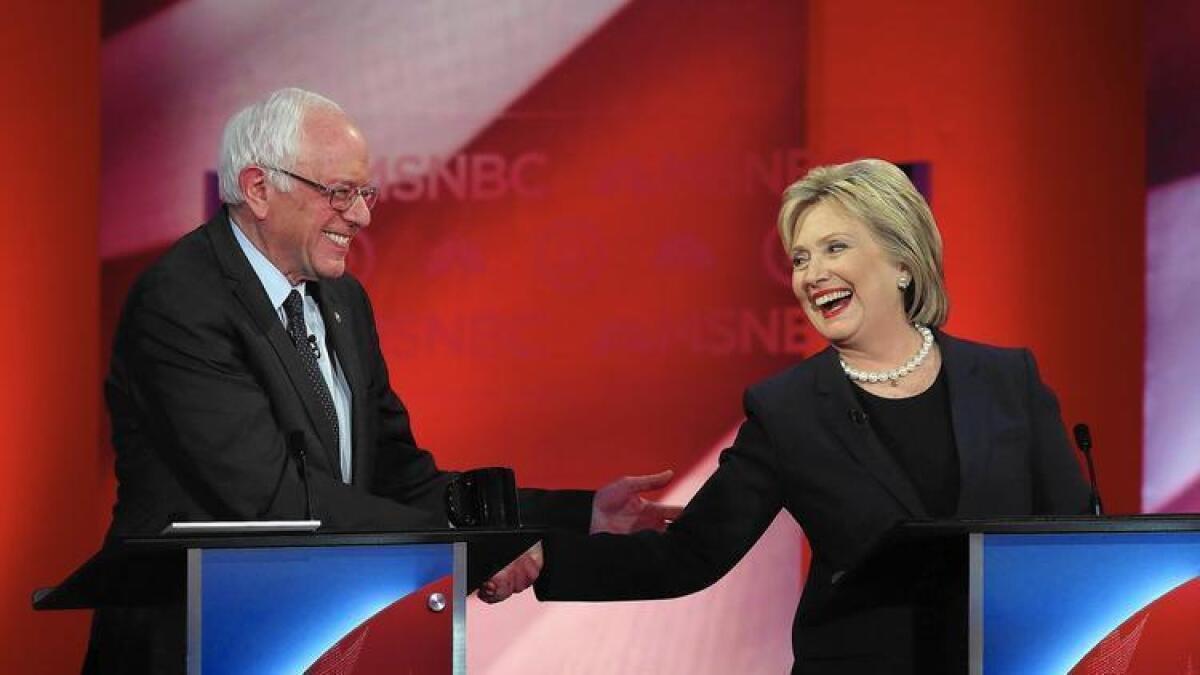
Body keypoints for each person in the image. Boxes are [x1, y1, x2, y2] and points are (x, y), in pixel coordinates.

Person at [85, 88, 679, 673]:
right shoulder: (182, 299)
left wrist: (574, 516)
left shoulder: (342, 299)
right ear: (258, 189)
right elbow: (278, 502)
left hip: (317, 637)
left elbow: (401, 482)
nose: (363, 215)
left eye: (365, 192)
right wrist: (476, 553)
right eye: (339, 193)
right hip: (194, 642)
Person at [481, 159, 1092, 674]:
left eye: (834, 248)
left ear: (903, 262)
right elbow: (689, 555)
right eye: (799, 259)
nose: (811, 274)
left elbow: (1077, 541)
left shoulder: (1008, 380)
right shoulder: (788, 410)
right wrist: (545, 557)